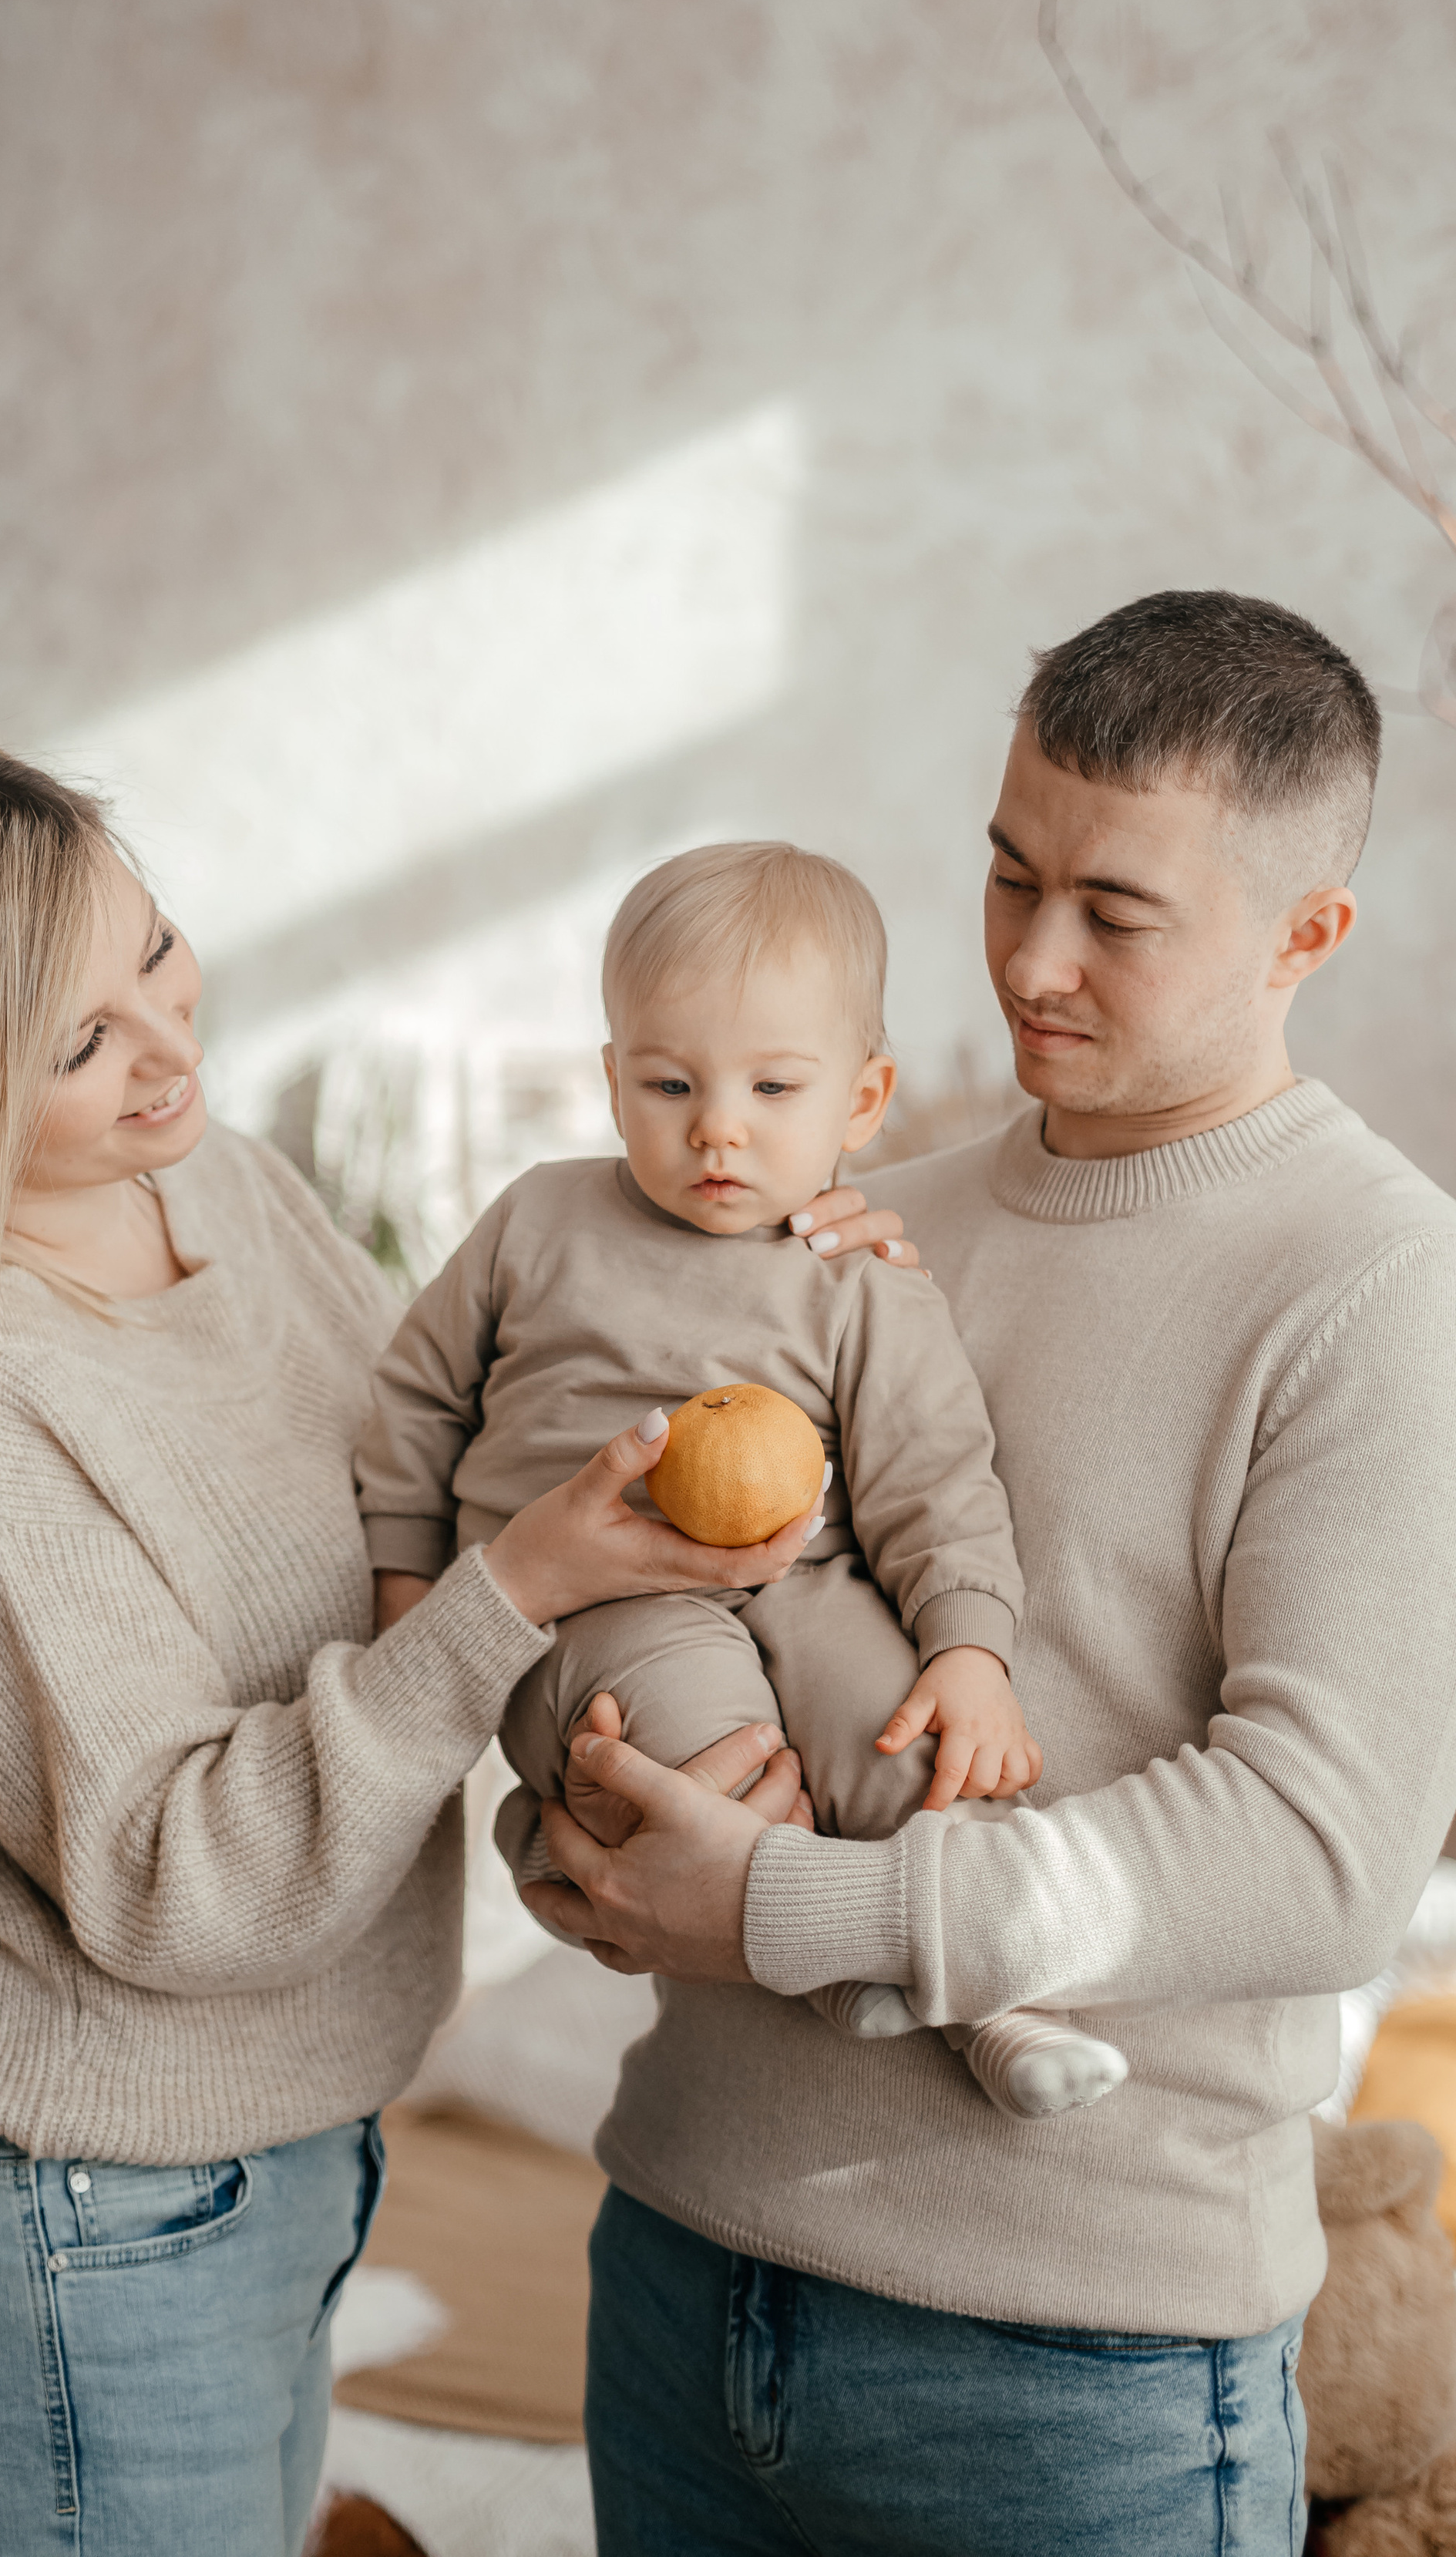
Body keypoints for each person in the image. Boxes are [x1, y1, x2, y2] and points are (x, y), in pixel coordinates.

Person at [0, 728, 893, 2557]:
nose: (171, 1047)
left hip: (273, 2174)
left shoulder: (222, 1192)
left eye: (157, 956)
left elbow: (445, 1492)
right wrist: (519, 1591)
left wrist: (771, 1276)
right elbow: (183, 1878)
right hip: (65, 2231)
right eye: (79, 1044)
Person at [522, 591, 1456, 2557]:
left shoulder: (1398, 1303)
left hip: (1074, 2382)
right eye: (1006, 873)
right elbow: (658, 1601)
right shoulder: (838, 1233)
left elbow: (1318, 1853)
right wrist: (580, 1834)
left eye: (1114, 911)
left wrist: (788, 1905)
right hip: (677, 2275)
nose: (1028, 959)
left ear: (1304, 935)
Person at [358, 839, 1123, 2118]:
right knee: (716, 1743)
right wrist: (406, 1600)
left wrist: (971, 1650)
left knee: (903, 1743)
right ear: (612, 1083)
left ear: (862, 1100)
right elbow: (416, 1400)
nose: (718, 1125)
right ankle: (821, 1961)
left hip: (803, 1581)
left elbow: (935, 1478)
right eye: (670, 1082)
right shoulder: (539, 1221)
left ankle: (1003, 2004)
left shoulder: (860, 1274)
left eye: (775, 1087)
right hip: (594, 1606)